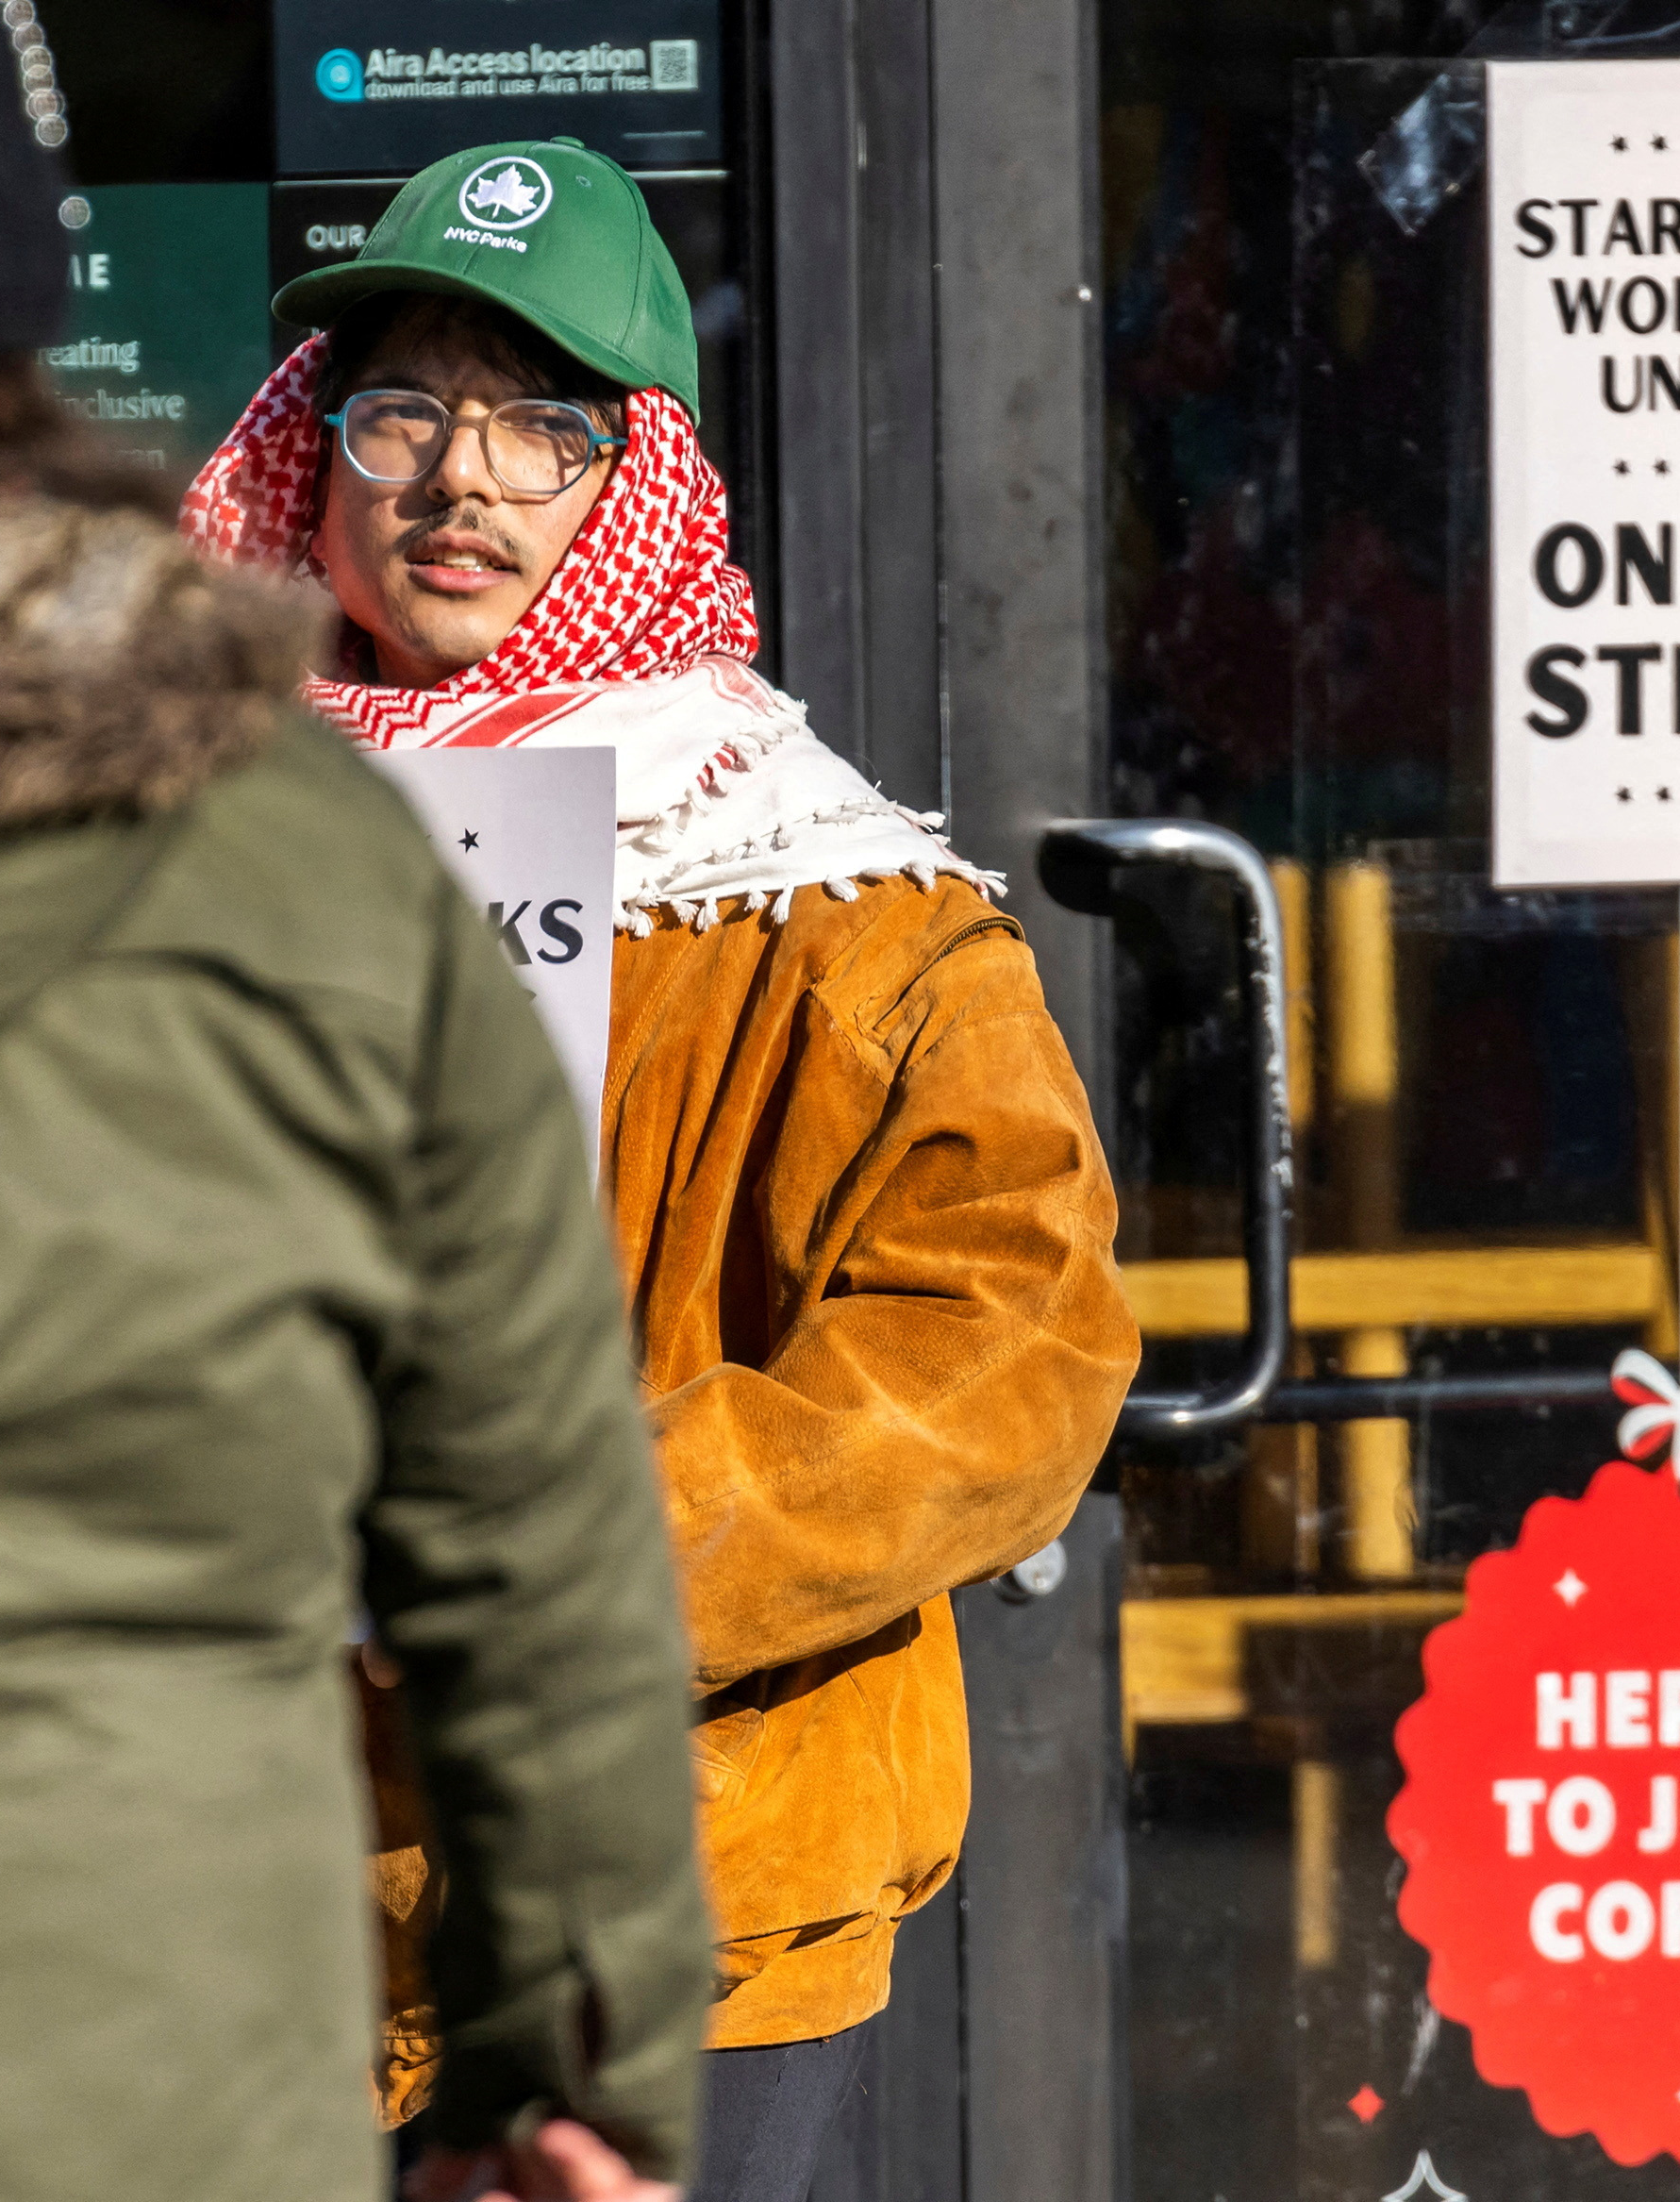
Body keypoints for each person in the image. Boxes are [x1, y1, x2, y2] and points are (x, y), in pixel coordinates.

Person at [0, 10, 712, 2202]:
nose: (462, 481)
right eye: (406, 411)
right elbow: (537, 1545)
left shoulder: (715, 853)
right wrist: (572, 2076)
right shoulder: (308, 852)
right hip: (170, 2084)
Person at [183, 138, 1141, 2201]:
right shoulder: (149, 853)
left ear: (635, 489)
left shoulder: (822, 900)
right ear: (312, 457)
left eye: (546, 423)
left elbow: (1017, 1353)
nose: (464, 478)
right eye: (404, 407)